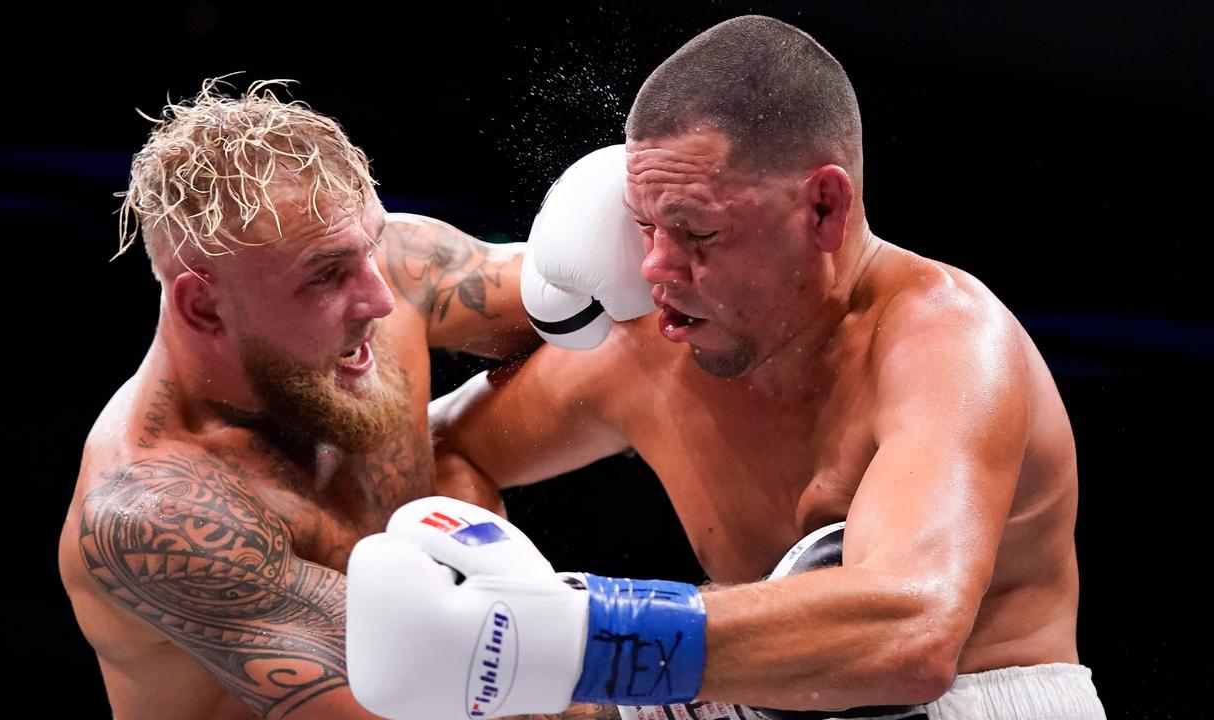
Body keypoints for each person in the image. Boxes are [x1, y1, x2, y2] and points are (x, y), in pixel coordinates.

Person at [406, 15, 1105, 720]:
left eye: (698, 231)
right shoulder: (650, 344)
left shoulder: (947, 341)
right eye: (645, 225)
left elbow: (911, 634)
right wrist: (495, 590)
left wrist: (579, 630)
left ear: (824, 207)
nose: (655, 268)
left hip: (977, 696)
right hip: (749, 695)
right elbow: (448, 445)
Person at [57, 77, 537, 720]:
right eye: (327, 274)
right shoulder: (156, 512)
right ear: (203, 305)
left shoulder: (382, 261)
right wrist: (676, 664)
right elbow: (432, 692)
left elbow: (592, 299)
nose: (379, 296)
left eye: (369, 245)